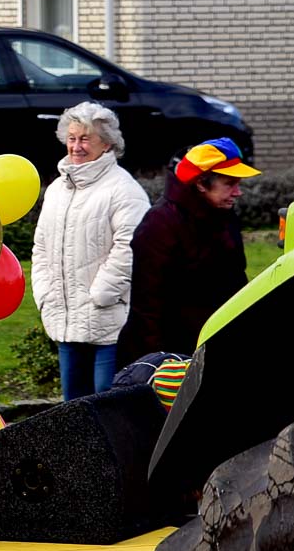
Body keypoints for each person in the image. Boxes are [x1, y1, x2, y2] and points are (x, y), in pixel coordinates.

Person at [29, 102, 151, 400]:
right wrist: (44, 294)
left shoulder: (124, 190)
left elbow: (131, 248)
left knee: (108, 406)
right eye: (71, 138)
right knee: (73, 408)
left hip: (108, 320)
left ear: (107, 144)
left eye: (85, 139)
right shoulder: (58, 189)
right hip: (65, 319)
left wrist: (101, 295)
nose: (76, 146)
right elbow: (41, 247)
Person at [117, 137, 260, 366]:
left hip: (219, 344)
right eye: (229, 183)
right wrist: (158, 364)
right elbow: (147, 306)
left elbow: (236, 280)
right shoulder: (160, 223)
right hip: (175, 356)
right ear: (201, 184)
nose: (238, 192)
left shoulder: (224, 216)